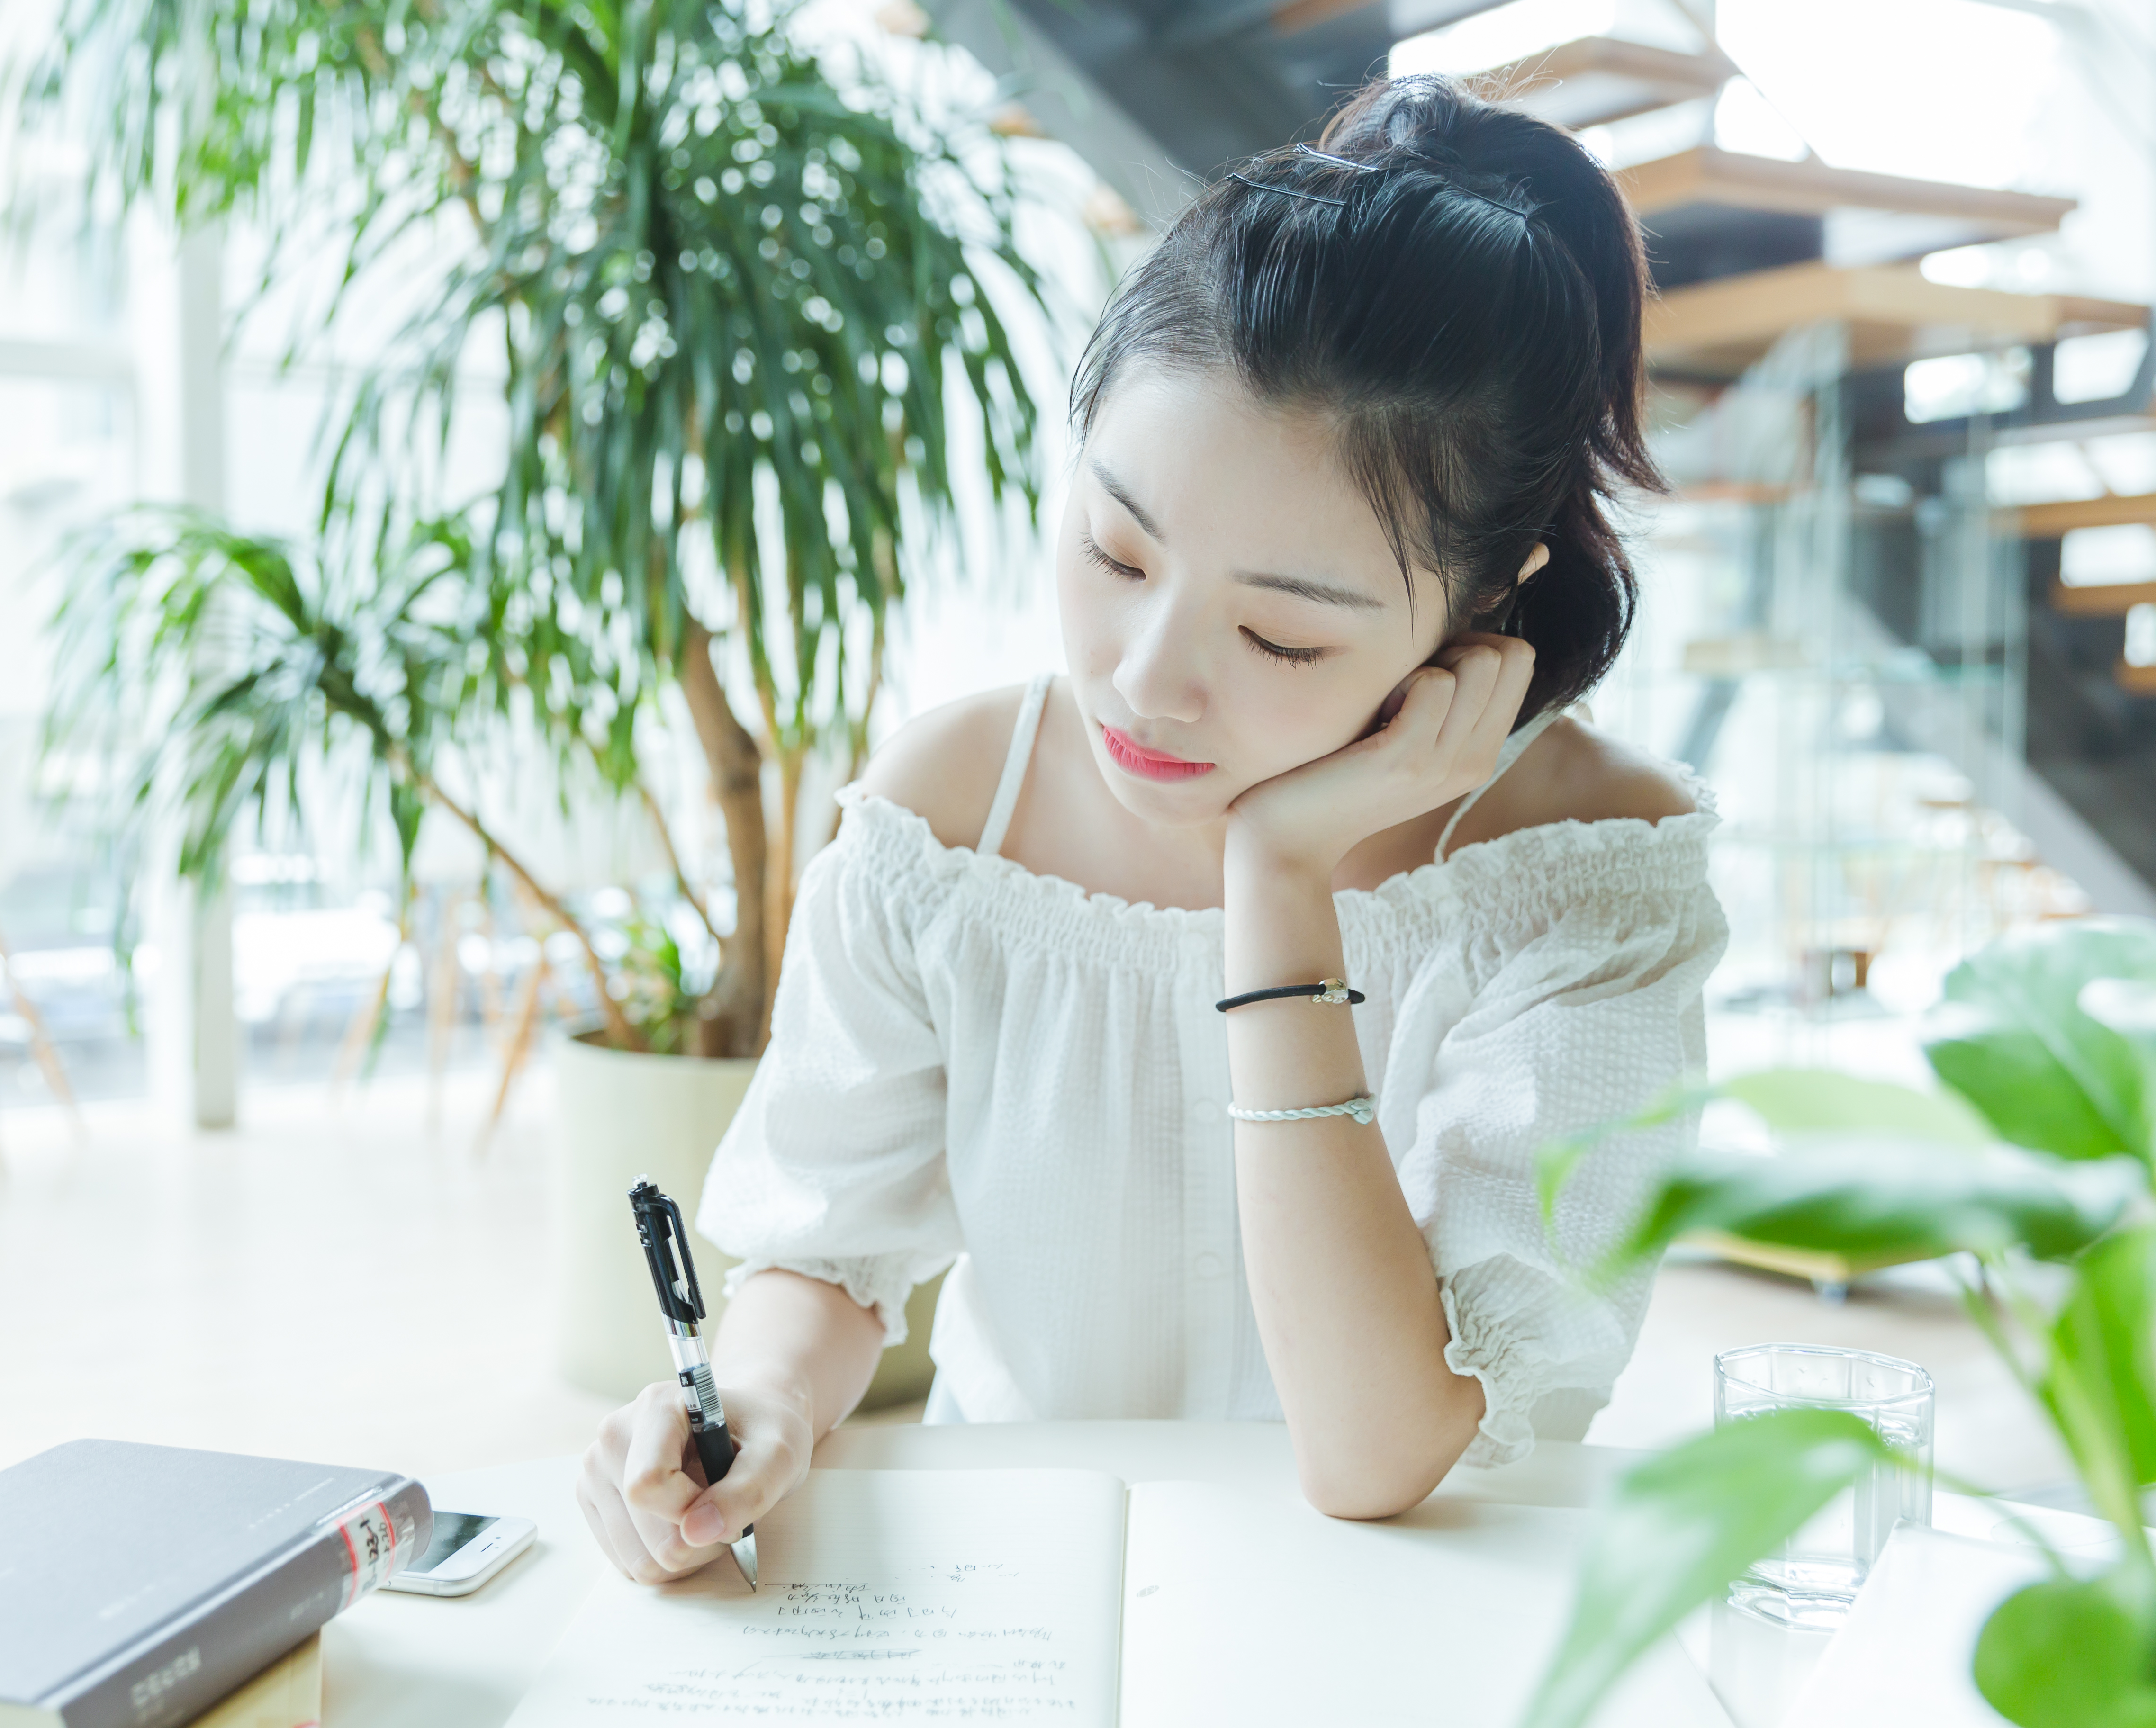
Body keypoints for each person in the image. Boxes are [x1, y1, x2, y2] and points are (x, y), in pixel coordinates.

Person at [575, 72, 1728, 1584]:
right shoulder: (950, 817)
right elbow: (831, 1245)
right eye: (1116, 549)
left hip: (1424, 1613)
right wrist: (766, 1401)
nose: (1143, 681)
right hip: (1027, 1605)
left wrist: (1281, 881)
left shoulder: (1592, 878)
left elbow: (1384, 1445)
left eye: (1285, 641)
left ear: (1485, 603)